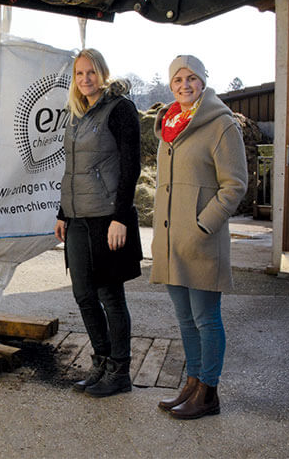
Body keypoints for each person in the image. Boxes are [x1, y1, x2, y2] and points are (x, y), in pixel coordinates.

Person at [151, 55, 247, 420]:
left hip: (202, 240)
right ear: (171, 85)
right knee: (185, 319)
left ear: (203, 82)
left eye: (191, 78)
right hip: (171, 242)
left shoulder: (221, 125)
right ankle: (191, 384)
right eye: (178, 79)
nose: (185, 85)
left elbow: (234, 185)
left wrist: (203, 225)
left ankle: (208, 392)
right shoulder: (169, 126)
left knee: (206, 318)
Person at [54, 48, 142, 398]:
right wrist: (63, 212)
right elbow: (72, 169)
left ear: (103, 73)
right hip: (77, 217)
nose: (85, 79)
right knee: (83, 294)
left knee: (109, 295)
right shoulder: (77, 114)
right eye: (79, 73)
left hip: (107, 216)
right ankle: (102, 362)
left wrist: (121, 217)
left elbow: (131, 166)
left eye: (91, 72)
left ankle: (120, 371)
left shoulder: (120, 109)